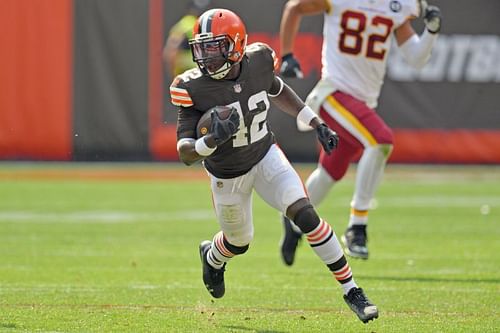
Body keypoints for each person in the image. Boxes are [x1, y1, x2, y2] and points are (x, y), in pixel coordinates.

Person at [170, 8, 379, 323]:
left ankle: (352, 290)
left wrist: (316, 122)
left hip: (266, 155)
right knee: (238, 243)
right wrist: (210, 141)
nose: (207, 56)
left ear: (237, 45)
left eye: (216, 47)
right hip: (227, 176)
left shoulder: (259, 62)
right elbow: (185, 152)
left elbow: (278, 90)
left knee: (305, 214)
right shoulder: (192, 86)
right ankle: (213, 256)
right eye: (203, 47)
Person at [278, 0, 442, 264]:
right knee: (381, 141)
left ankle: (294, 221)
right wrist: (286, 55)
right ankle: (357, 226)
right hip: (334, 92)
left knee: (332, 171)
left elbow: (416, 57)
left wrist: (431, 32)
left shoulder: (396, 5)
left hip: (362, 103)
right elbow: (294, 7)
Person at [162, 0, 211, 78]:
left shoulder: (186, 23)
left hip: (193, 72)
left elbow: (169, 52)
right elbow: (171, 51)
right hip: (191, 71)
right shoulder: (188, 24)